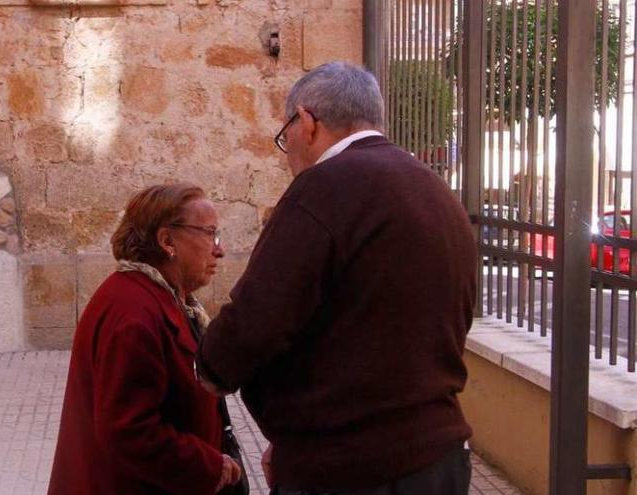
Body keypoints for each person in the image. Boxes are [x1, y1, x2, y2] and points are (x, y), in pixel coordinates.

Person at [195, 61, 478, 495]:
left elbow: (257, 319)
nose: (285, 149)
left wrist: (209, 366)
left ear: (306, 122)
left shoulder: (323, 188)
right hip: (439, 458)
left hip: (349, 468)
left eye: (283, 134)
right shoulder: (436, 191)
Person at [48, 183, 241, 495]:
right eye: (210, 234)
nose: (219, 249)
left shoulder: (161, 299)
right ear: (167, 241)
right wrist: (207, 466)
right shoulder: (134, 313)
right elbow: (129, 432)